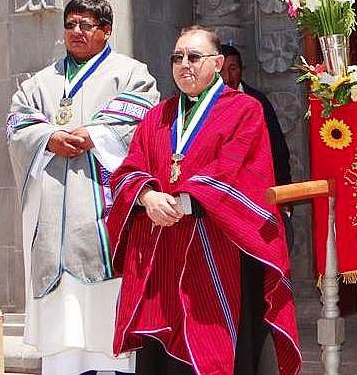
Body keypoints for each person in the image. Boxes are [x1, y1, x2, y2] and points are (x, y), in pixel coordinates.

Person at [106, 25, 301, 375]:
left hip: (219, 248)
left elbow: (235, 172)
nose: (184, 65)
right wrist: (148, 196)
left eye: (194, 57)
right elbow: (128, 170)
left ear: (218, 63)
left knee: (217, 350)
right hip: (164, 251)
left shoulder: (244, 110)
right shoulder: (158, 116)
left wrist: (182, 203)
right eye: (177, 58)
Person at [6, 0, 159, 374]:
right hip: (54, 220)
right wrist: (48, 138)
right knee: (62, 329)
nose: (76, 32)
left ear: (105, 31)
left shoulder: (130, 73)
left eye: (86, 25)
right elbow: (17, 122)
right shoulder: (42, 81)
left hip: (102, 217)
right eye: (70, 24)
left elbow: (144, 111)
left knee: (105, 317)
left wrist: (94, 134)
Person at [220, 44, 294, 250]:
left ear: (242, 69)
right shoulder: (206, 105)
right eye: (222, 70)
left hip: (262, 199)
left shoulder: (258, 102)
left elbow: (278, 150)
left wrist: (285, 198)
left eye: (233, 68)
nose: (227, 76)